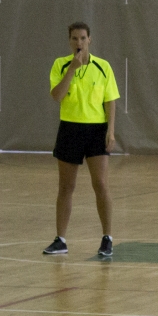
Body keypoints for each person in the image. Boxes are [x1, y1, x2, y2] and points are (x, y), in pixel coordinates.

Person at [45, 22, 119, 257]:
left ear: (90, 40)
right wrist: (71, 70)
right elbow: (57, 96)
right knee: (66, 186)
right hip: (70, 129)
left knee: (101, 184)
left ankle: (107, 238)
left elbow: (110, 100)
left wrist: (110, 130)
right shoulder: (60, 65)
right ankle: (60, 240)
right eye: (75, 39)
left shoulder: (103, 67)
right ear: (69, 41)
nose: (79, 43)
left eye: (83, 38)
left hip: (96, 130)